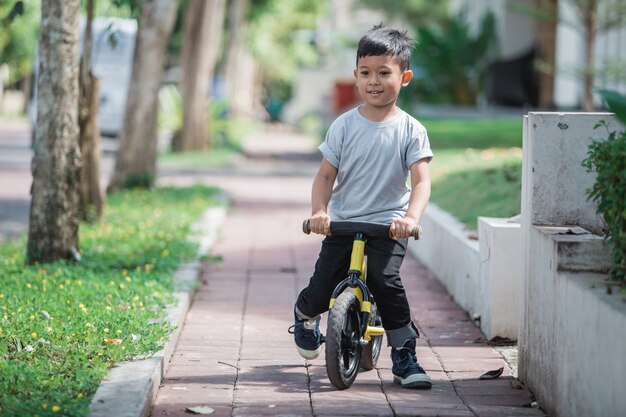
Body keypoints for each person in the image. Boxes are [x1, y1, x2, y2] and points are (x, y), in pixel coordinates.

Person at [291, 25, 434, 389]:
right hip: (344, 222)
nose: (374, 81)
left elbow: (421, 181)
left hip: (388, 225)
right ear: (356, 77)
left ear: (405, 78)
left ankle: (404, 354)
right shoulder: (343, 126)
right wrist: (321, 212)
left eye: (384, 73)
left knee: (385, 281)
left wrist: (410, 218)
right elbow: (324, 176)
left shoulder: (411, 130)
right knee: (323, 287)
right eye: (366, 73)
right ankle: (305, 316)